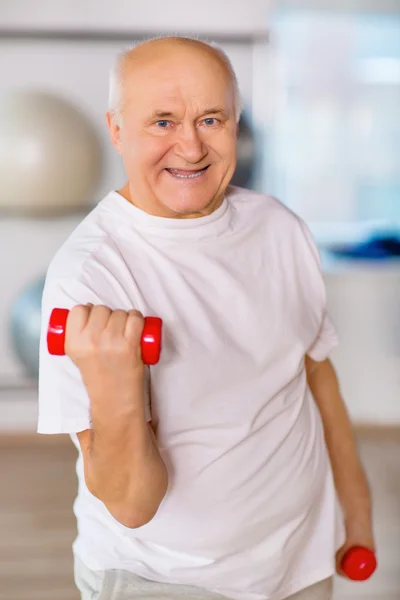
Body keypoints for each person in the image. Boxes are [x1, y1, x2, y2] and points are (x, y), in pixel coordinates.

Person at [37, 37, 375, 600]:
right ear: (117, 130)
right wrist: (116, 387)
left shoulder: (280, 229)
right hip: (165, 580)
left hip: (298, 562)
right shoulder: (89, 278)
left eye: (210, 119)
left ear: (236, 124)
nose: (190, 146)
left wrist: (356, 511)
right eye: (163, 122)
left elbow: (317, 380)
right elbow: (131, 504)